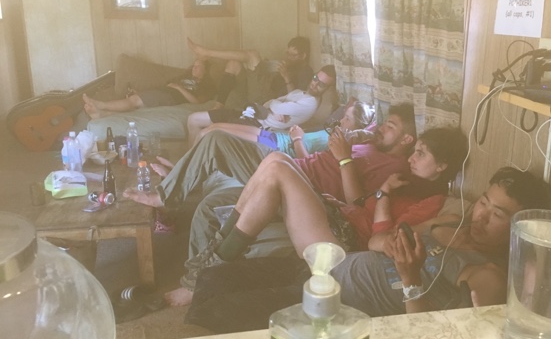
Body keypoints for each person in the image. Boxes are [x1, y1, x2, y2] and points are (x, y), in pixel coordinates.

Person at [184, 167, 551, 333]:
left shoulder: (487, 275)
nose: (481, 216)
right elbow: (377, 240)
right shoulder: (447, 225)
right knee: (212, 278)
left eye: (498, 214)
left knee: (217, 313)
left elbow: (431, 337)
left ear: (519, 228)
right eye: (484, 202)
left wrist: (411, 279)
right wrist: (386, 242)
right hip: (324, 269)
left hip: (334, 306)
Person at [125, 103, 418, 305]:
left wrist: (344, 158)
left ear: (406, 139)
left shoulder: (394, 168)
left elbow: (356, 202)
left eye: (390, 126)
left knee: (226, 144)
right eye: (383, 124)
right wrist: (357, 137)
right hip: (298, 169)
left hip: (307, 191)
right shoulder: (372, 143)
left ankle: (168, 203)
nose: (381, 129)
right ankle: (201, 277)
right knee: (215, 193)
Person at [150, 100, 375, 178]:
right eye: (343, 116)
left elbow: (307, 164)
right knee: (211, 128)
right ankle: (181, 168)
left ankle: (178, 172)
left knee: (212, 134)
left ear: (358, 126)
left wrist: (297, 139)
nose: (341, 121)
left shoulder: (340, 145)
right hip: (276, 137)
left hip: (277, 147)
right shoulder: (337, 132)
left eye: (347, 119)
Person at [185, 36, 314, 142]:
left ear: (303, 56)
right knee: (233, 64)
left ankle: (206, 52)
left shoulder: (306, 73)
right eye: (288, 53)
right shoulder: (289, 65)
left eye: (293, 55)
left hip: (265, 100)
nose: (288, 57)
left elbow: (294, 97)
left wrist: (286, 78)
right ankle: (219, 104)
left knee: (253, 55)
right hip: (260, 93)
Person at [187, 64, 336, 147]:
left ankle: (191, 172)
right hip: (251, 112)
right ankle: (188, 163)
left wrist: (274, 105)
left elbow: (274, 104)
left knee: (204, 133)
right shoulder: (300, 92)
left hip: (256, 124)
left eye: (322, 84)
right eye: (316, 78)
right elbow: (270, 102)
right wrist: (273, 106)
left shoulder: (310, 103)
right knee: (193, 119)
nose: (315, 84)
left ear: (328, 88)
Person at [82, 58, 214, 120]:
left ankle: (101, 105)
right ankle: (102, 114)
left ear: (205, 71)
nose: (194, 68)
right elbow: (163, 86)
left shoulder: (205, 85)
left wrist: (179, 88)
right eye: (194, 65)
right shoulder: (183, 77)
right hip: (162, 93)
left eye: (198, 66)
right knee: (135, 108)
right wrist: (142, 93)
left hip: (170, 98)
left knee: (134, 101)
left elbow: (197, 102)